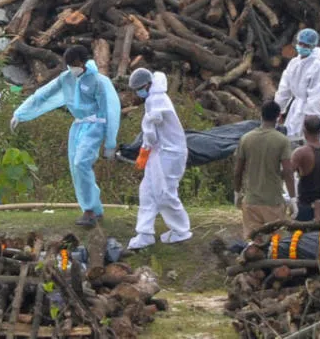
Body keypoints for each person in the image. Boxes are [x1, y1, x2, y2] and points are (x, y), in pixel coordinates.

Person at [10, 46, 120, 227]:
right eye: (69, 65)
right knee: (76, 168)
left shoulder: (99, 81)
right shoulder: (66, 78)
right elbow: (43, 95)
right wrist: (20, 113)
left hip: (95, 126)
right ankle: (92, 208)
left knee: (81, 162)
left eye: (75, 64)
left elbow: (110, 110)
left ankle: (90, 210)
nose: (72, 68)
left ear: (83, 62)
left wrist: (110, 142)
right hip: (77, 126)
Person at [126, 68, 193, 249]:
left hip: (170, 152)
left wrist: (144, 149)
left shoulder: (156, 99)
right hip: (161, 151)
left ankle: (181, 230)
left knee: (164, 193)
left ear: (147, 85)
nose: (138, 93)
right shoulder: (154, 97)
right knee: (147, 191)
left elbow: (151, 129)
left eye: (139, 89)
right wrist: (146, 151)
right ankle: (144, 233)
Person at [234, 101, 297, 240]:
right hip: (273, 202)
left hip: (251, 201)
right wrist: (293, 199)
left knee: (254, 243)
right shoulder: (282, 140)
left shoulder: (246, 139)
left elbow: (238, 171)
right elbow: (288, 172)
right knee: (275, 244)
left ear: (261, 115)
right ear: (278, 117)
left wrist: (237, 193)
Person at [274, 28, 320, 145]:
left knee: (310, 144)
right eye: (300, 43)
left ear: (313, 46)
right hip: (295, 109)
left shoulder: (317, 66)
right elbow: (284, 89)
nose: (302, 47)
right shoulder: (294, 63)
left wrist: (310, 120)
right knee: (291, 142)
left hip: (311, 112)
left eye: (306, 45)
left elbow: (317, 96)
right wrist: (278, 109)